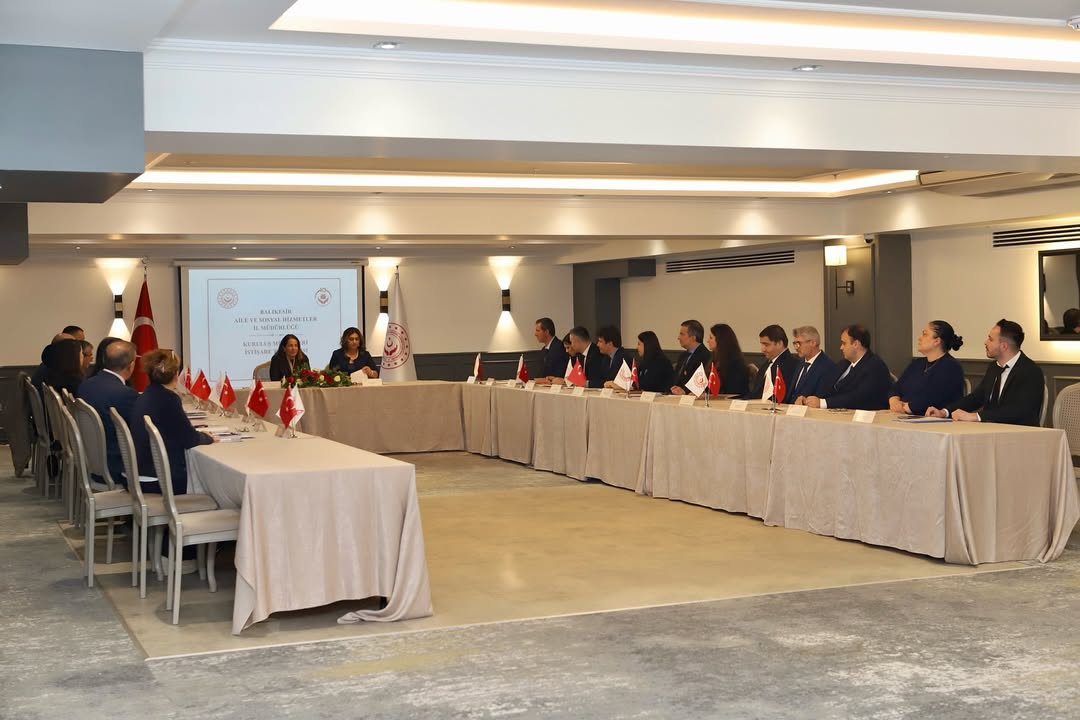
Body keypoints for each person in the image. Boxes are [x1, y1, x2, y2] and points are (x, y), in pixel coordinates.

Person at [130, 349, 216, 496]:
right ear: (176, 374)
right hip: (161, 479)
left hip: (139, 473)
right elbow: (189, 439)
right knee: (211, 484)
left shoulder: (146, 394)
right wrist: (207, 437)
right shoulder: (169, 399)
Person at [926, 319, 1044, 426]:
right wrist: (944, 412)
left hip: (1020, 435)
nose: (985, 342)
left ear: (1004, 346)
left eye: (990, 339)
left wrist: (977, 416)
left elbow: (1019, 410)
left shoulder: (1030, 371)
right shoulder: (994, 367)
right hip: (991, 432)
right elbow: (976, 398)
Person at [77, 340, 138, 487]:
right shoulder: (125, 394)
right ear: (131, 365)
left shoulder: (86, 385)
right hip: (116, 466)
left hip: (92, 461)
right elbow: (139, 430)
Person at [803, 324, 891, 410]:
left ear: (856, 344)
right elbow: (826, 386)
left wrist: (824, 403)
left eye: (844, 343)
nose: (841, 347)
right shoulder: (843, 364)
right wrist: (807, 400)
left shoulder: (874, 366)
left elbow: (857, 397)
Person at [888, 321, 965, 415]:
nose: (919, 338)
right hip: (903, 415)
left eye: (925, 334)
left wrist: (904, 407)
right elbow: (896, 388)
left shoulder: (951, 367)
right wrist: (894, 401)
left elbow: (932, 398)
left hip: (931, 418)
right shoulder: (917, 364)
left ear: (937, 341)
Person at [747, 325, 800, 402]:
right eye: (762, 344)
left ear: (779, 343)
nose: (762, 349)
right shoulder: (766, 365)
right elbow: (756, 393)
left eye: (766, 345)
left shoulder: (792, 365)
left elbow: (782, 396)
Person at [790, 326, 835, 401]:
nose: (796, 348)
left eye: (799, 343)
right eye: (795, 344)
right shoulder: (799, 363)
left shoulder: (828, 367)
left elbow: (820, 397)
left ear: (813, 343)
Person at [706, 323, 750, 396]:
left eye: (711, 338)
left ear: (720, 340)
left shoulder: (735, 363)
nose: (707, 341)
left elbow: (733, 391)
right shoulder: (714, 358)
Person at [670, 320, 709, 395]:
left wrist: (684, 391)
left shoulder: (705, 356)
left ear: (693, 338)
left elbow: (700, 384)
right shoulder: (683, 356)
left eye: (682, 334)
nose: (678, 338)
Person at [533, 317, 569, 385]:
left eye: (538, 331)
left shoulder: (560, 347)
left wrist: (545, 380)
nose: (535, 334)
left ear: (547, 332)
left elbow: (560, 374)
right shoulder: (543, 350)